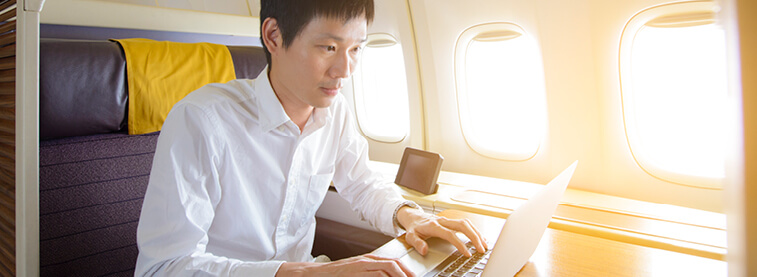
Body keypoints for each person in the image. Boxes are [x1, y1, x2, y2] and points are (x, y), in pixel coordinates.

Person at [135, 0, 487, 276]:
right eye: (329, 48)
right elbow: (165, 267)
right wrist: (305, 272)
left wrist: (410, 215)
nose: (345, 71)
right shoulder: (202, 120)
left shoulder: (335, 113)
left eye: (356, 49)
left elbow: (362, 183)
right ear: (273, 36)